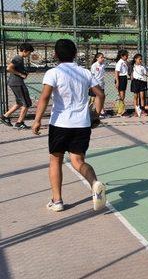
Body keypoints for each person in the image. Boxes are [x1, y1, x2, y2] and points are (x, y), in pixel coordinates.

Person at [31, 39, 106, 212]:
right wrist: (96, 114)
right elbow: (100, 94)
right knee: (78, 161)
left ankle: (57, 201)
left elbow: (44, 97)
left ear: (55, 54)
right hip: (82, 124)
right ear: (74, 54)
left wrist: (37, 120)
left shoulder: (53, 72)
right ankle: (95, 183)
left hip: (60, 124)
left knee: (55, 159)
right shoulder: (85, 72)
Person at [1, 43, 34, 129]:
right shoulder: (18, 58)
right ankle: (19, 123)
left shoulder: (19, 58)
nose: (29, 55)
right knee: (26, 103)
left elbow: (14, 69)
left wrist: (23, 73)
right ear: (24, 51)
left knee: (19, 103)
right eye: (29, 53)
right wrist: (21, 74)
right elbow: (9, 68)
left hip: (15, 82)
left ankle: (5, 116)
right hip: (17, 83)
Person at [89, 52, 107, 118]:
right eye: (101, 57)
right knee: (93, 99)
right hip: (95, 84)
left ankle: (100, 111)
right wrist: (91, 85)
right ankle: (90, 111)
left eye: (103, 57)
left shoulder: (103, 65)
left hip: (101, 84)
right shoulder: (94, 65)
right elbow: (92, 75)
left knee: (101, 98)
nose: (103, 58)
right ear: (97, 58)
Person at [114, 49, 129, 115]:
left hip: (124, 78)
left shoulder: (124, 62)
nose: (127, 57)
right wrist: (117, 82)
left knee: (123, 94)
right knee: (121, 95)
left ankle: (121, 109)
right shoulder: (119, 62)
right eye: (126, 56)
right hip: (120, 78)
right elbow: (116, 72)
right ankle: (120, 111)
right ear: (122, 56)